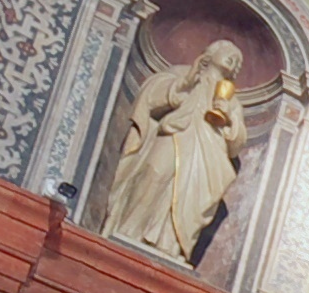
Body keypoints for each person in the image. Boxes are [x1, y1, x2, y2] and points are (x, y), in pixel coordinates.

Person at [94, 40, 250, 264]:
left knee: (193, 195)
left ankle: (169, 246)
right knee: (154, 173)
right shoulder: (183, 73)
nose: (234, 60)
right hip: (174, 135)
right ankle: (129, 230)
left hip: (206, 153)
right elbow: (150, 97)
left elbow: (237, 143)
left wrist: (230, 118)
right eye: (229, 52)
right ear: (211, 52)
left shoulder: (232, 100)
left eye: (238, 60)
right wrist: (184, 85)